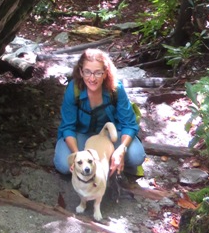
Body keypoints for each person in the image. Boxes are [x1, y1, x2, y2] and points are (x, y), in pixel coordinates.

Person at [53, 48, 145, 177]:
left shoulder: (116, 89)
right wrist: (78, 155)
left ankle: (113, 163)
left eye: (97, 73)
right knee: (64, 164)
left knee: (137, 156)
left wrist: (121, 150)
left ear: (105, 73)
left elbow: (129, 124)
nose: (92, 78)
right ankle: (102, 163)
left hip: (110, 137)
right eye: (87, 72)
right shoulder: (74, 90)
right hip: (82, 135)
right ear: (80, 72)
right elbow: (68, 127)